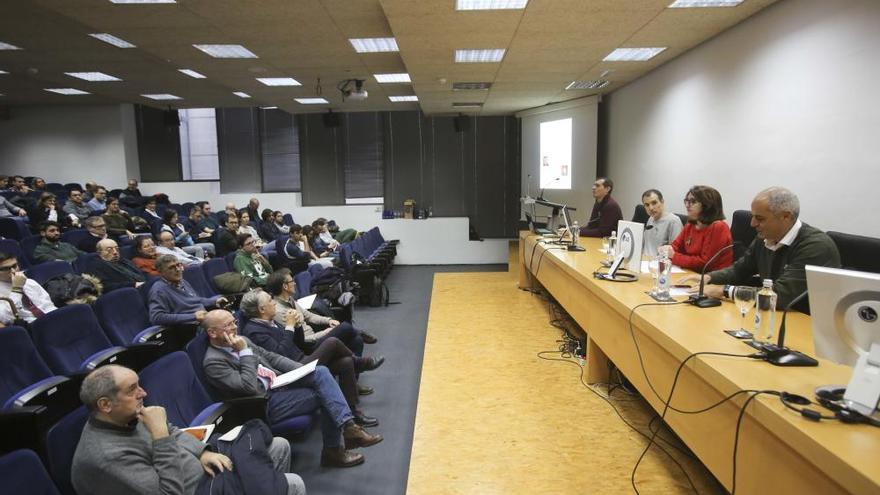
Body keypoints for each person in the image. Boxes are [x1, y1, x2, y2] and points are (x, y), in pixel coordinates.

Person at [70, 365, 305, 495]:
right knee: (293, 484)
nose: (143, 394)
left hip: (208, 471)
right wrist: (160, 435)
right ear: (105, 404)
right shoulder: (105, 458)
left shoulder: (127, 415)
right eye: (132, 389)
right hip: (197, 490)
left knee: (278, 446)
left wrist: (203, 452)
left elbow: (171, 430)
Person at [201, 309, 383, 467]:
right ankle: (335, 448)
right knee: (327, 392)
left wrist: (303, 370)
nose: (234, 328)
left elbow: (272, 357)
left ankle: (348, 429)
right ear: (212, 333)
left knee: (320, 372)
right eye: (228, 326)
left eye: (234, 322)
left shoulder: (242, 340)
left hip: (279, 383)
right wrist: (244, 353)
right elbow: (248, 387)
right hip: (263, 402)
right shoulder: (214, 362)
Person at [238, 289, 382, 426]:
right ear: (261, 309)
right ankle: (362, 363)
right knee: (332, 342)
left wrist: (298, 325)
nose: (274, 302)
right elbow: (281, 354)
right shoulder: (254, 331)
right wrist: (289, 326)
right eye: (270, 300)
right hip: (291, 371)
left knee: (346, 362)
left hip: (301, 358)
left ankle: (353, 413)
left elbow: (298, 343)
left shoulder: (270, 321)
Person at [682, 187, 841, 309]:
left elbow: (780, 296)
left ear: (786, 216)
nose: (752, 224)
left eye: (759, 218)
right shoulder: (765, 237)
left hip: (803, 324)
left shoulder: (815, 246)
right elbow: (740, 270)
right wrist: (709, 278)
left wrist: (723, 291)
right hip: (767, 315)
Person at [267, 269, 377, 357]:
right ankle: (359, 333)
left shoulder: (290, 300)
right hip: (308, 345)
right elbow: (299, 340)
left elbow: (308, 316)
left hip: (314, 336)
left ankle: (354, 378)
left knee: (356, 341)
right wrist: (325, 333)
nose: (295, 283)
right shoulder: (278, 311)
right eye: (292, 281)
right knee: (345, 328)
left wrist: (328, 320)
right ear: (285, 286)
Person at [659, 185, 733, 272]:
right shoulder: (690, 224)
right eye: (686, 201)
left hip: (712, 280)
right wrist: (666, 249)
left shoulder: (719, 227)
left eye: (692, 201)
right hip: (691, 273)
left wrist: (674, 256)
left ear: (707, 205)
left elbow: (705, 263)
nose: (687, 205)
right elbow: (675, 247)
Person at [148, 254, 226, 326]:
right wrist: (193, 316)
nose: (178, 269)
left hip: (204, 320)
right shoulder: (158, 290)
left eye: (178, 265)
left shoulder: (182, 281)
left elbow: (195, 300)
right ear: (161, 272)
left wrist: (213, 301)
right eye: (171, 267)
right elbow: (157, 317)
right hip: (189, 327)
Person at [0, 251, 57, 326]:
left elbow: (48, 304)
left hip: (53, 316)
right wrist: (17, 289)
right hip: (32, 326)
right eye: (5, 269)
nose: (13, 271)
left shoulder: (29, 282)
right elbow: (6, 318)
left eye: (14, 266)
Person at [641, 189, 683, 257]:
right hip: (644, 261)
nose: (651, 208)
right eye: (647, 205)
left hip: (658, 264)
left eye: (654, 203)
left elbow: (676, 252)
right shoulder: (650, 219)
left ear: (662, 202)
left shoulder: (674, 221)